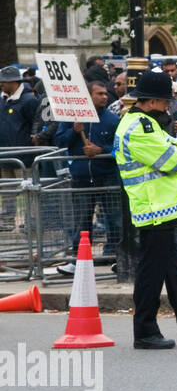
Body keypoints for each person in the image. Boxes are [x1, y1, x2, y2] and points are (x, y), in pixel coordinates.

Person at [113, 71, 177, 349]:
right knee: (151, 273)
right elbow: (174, 162)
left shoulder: (144, 123)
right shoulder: (140, 127)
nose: (168, 107)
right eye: (165, 102)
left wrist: (169, 138)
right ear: (151, 101)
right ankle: (145, 331)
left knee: (173, 270)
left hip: (163, 208)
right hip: (153, 209)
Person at [52, 81, 120, 273]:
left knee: (115, 219)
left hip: (106, 177)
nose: (104, 97)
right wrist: (73, 131)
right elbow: (59, 141)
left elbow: (120, 147)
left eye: (105, 94)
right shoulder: (72, 118)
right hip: (81, 177)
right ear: (88, 96)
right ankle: (80, 260)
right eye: (99, 94)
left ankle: (116, 256)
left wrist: (101, 150)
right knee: (82, 222)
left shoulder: (112, 120)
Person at [0, 64, 40, 230]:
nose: (1, 84)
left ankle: (31, 221)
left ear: (14, 82)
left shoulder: (29, 101)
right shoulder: (2, 100)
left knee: (29, 190)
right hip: (5, 155)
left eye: (4, 81)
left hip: (25, 155)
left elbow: (35, 123)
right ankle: (7, 220)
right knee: (7, 190)